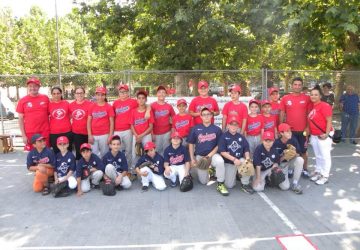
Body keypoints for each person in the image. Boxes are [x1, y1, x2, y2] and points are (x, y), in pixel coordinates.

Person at [188, 108, 227, 196]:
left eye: (208, 114)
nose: (206, 116)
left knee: (220, 161)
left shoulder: (217, 129)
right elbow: (191, 144)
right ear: (201, 116)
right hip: (200, 157)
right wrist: (192, 158)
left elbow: (218, 145)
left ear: (212, 116)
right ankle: (210, 171)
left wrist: (208, 156)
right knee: (203, 182)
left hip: (212, 155)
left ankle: (220, 183)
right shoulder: (195, 128)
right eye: (204, 114)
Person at [280, 77, 312, 177]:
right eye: (295, 84)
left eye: (299, 85)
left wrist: (308, 127)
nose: (297, 86)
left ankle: (305, 169)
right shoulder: (285, 98)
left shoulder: (307, 98)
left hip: (303, 131)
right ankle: (290, 169)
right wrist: (281, 127)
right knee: (290, 151)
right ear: (292, 85)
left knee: (303, 151)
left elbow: (309, 114)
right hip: (290, 132)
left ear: (302, 86)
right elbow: (282, 113)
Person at [218, 116, 253, 194]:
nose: (233, 126)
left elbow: (246, 149)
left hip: (239, 161)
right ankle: (237, 174)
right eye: (232, 124)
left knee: (246, 162)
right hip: (229, 162)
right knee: (229, 185)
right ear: (228, 125)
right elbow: (222, 152)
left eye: (235, 125)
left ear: (238, 126)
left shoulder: (241, 137)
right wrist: (233, 159)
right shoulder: (223, 136)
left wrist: (247, 158)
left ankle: (245, 184)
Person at [308, 86, 334, 185]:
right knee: (318, 155)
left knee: (325, 156)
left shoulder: (324, 105)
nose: (313, 96)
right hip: (314, 135)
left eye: (316, 95)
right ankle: (318, 171)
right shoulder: (313, 106)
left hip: (323, 135)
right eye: (312, 94)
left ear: (320, 96)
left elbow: (329, 120)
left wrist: (326, 133)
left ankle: (325, 175)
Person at [17, 77, 50, 150]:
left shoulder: (45, 98)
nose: (33, 88)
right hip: (30, 132)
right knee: (34, 157)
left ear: (39, 87)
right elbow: (20, 119)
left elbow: (50, 114)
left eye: (35, 86)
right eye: (30, 86)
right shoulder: (23, 100)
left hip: (45, 131)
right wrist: (23, 135)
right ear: (28, 87)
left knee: (46, 154)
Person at [112, 84, 138, 168]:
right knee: (116, 150)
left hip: (128, 130)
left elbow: (144, 106)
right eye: (121, 92)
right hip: (117, 130)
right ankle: (118, 167)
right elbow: (112, 117)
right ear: (118, 93)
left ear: (128, 92)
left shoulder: (133, 102)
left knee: (128, 150)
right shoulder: (115, 103)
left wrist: (148, 110)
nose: (123, 94)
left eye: (125, 92)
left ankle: (129, 168)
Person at [273, 123, 303, 194]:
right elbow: (274, 161)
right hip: (281, 165)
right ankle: (274, 178)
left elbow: (299, 154)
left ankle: (295, 183)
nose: (290, 133)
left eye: (290, 130)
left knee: (300, 160)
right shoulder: (276, 143)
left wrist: (294, 153)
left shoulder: (293, 140)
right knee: (285, 187)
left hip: (290, 163)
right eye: (287, 131)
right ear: (281, 133)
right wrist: (284, 156)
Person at [130, 90, 155, 175]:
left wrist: (141, 135)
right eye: (139, 98)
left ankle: (149, 169)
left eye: (143, 98)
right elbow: (131, 125)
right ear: (137, 100)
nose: (141, 100)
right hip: (136, 135)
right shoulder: (133, 111)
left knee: (149, 153)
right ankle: (134, 171)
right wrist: (137, 135)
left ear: (146, 100)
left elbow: (151, 126)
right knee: (135, 153)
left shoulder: (149, 111)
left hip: (146, 135)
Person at [87, 86, 115, 158]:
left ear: (105, 95)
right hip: (93, 134)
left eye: (102, 95)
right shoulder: (91, 106)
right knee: (93, 155)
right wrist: (89, 135)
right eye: (98, 95)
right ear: (95, 95)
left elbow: (112, 122)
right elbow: (89, 121)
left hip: (104, 134)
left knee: (105, 154)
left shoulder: (108, 107)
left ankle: (105, 169)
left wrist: (110, 136)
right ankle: (96, 169)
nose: (100, 97)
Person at [151, 85, 175, 156]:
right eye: (159, 92)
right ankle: (158, 165)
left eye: (163, 92)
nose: (161, 94)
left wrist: (172, 130)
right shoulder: (152, 106)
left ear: (166, 94)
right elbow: (150, 121)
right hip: (156, 133)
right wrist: (152, 133)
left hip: (167, 132)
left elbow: (174, 118)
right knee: (157, 150)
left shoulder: (169, 106)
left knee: (166, 150)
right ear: (157, 94)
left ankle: (165, 164)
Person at [69, 86, 91, 160]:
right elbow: (69, 117)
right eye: (77, 93)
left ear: (84, 93)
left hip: (88, 133)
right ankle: (80, 169)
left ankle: (89, 168)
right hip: (76, 133)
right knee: (79, 153)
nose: (79, 95)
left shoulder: (90, 104)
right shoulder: (71, 105)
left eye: (81, 93)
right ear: (74, 94)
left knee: (88, 152)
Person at [49, 86, 72, 155]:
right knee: (56, 153)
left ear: (61, 94)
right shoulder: (49, 105)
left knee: (68, 152)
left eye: (58, 93)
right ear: (52, 94)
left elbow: (71, 115)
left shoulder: (66, 103)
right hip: (54, 133)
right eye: (54, 93)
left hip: (67, 131)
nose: (56, 95)